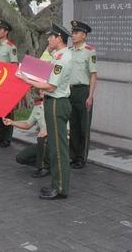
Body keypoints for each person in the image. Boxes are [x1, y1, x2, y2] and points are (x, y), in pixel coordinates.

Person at [17, 23, 73, 200]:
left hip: (56, 102)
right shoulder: (59, 55)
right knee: (56, 146)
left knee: (57, 148)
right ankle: (57, 184)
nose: (48, 39)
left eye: (51, 37)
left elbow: (50, 85)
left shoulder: (62, 58)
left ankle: (60, 188)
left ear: (59, 38)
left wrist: (27, 80)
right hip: (54, 101)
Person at [68, 20, 97, 169]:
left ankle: (81, 157)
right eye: (73, 32)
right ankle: (72, 155)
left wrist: (90, 96)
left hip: (83, 91)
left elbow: (93, 75)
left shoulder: (90, 51)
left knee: (83, 125)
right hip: (70, 91)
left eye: (76, 33)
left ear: (84, 35)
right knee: (73, 125)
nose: (73, 35)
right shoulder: (69, 51)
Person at [3, 90, 50, 178]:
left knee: (42, 139)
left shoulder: (58, 106)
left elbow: (67, 129)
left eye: (44, 87)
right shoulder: (38, 106)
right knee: (21, 158)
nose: (41, 90)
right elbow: (28, 125)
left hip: (57, 142)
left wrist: (48, 131)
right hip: (43, 143)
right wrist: (12, 122)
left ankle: (44, 168)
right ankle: (49, 163)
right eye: (40, 87)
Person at [0, 19, 18, 147]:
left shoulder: (11, 47)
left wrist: (10, 84)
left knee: (7, 111)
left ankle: (7, 138)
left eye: (1, 29)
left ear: (6, 32)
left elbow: (14, 65)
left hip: (6, 83)